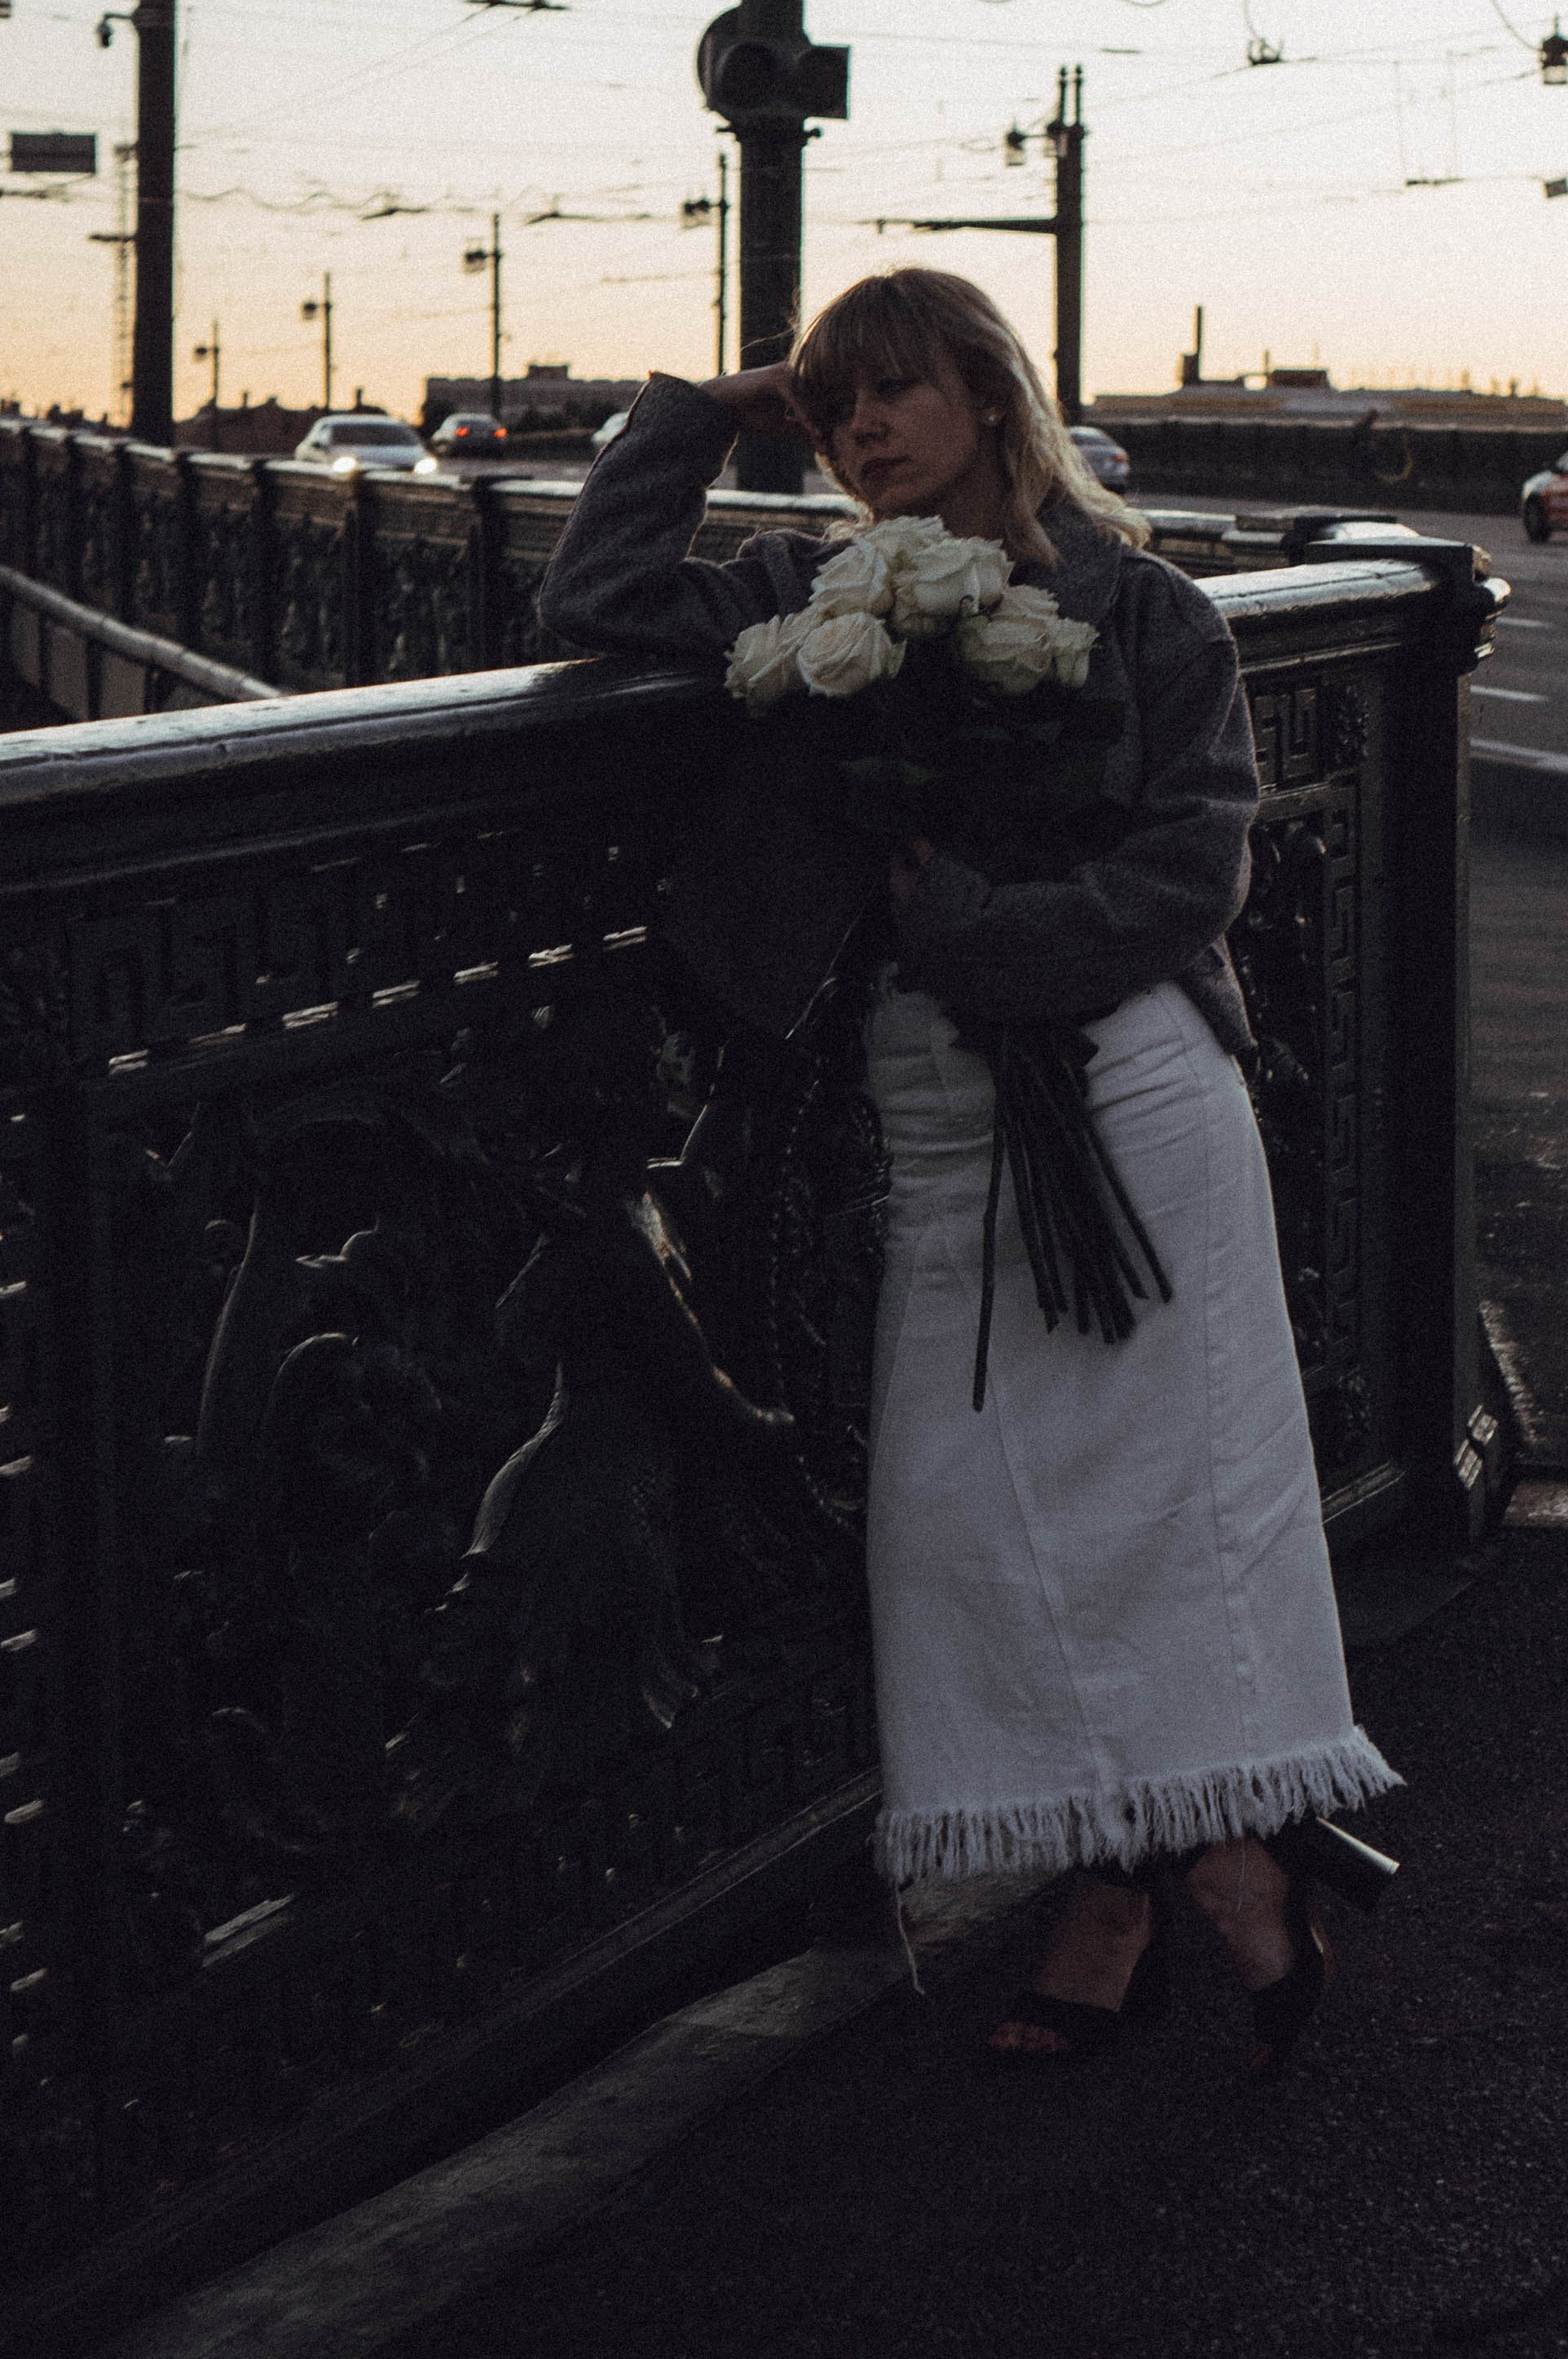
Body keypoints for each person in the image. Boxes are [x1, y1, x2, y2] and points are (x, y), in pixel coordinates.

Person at [538, 267, 1398, 2073]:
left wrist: (978, 932)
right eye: (833, 402)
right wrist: (705, 411)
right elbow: (595, 597)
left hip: (1133, 1093)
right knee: (962, 1523)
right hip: (933, 1109)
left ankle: (1148, 1885)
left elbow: (1193, 871)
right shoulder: (802, 594)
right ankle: (1198, 1858)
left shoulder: (1144, 606)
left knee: (1170, 1514)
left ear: (993, 396)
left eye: (894, 391)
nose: (858, 429)